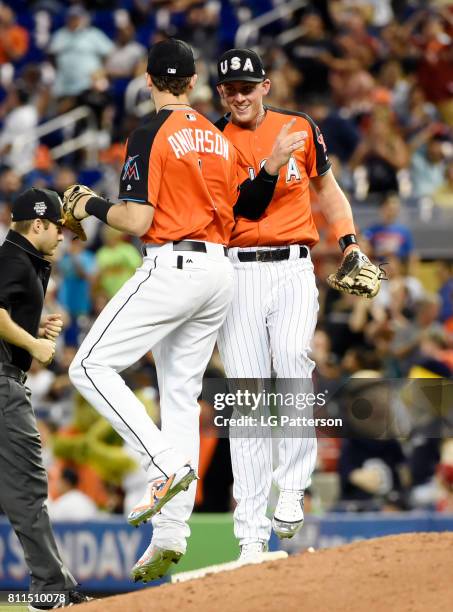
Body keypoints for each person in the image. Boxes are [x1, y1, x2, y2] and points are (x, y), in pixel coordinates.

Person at [67, 38, 305, 583]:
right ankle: (173, 532)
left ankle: (165, 464)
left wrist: (90, 204)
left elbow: (134, 220)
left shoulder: (151, 131)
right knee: (178, 397)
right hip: (221, 270)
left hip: (174, 264)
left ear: (148, 82)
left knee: (88, 367)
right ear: (194, 82)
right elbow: (237, 206)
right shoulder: (218, 138)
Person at [215, 48, 372, 561]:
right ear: (221, 93)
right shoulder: (212, 141)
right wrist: (270, 164)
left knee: (293, 365)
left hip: (293, 267)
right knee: (247, 400)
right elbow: (240, 206)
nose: (239, 96)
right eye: (230, 89)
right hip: (237, 272)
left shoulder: (300, 127)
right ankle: (250, 535)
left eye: (247, 86)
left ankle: (292, 487)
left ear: (265, 86)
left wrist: (349, 243)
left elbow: (329, 190)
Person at [0, 188, 89, 610]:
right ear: (37, 224)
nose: (62, 236)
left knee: (21, 489)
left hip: (7, 378)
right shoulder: (13, 259)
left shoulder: (26, 259)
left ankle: (51, 585)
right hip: (2, 387)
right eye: (58, 227)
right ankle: (50, 588)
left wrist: (34, 335)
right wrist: (35, 347)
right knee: (28, 484)